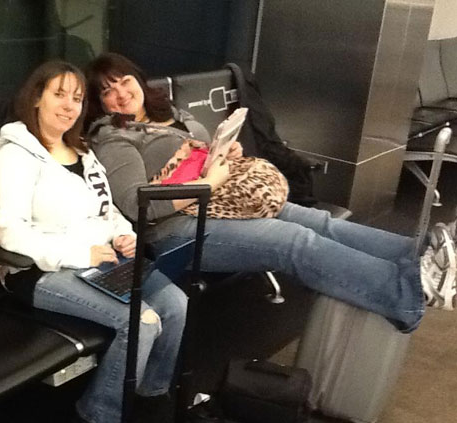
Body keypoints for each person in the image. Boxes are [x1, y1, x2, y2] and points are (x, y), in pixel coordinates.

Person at [84, 52, 457, 331]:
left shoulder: (170, 114)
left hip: (227, 202)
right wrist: (207, 184)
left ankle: (421, 257)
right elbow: (137, 205)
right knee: (292, 241)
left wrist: (229, 150)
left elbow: (208, 155)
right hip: (178, 230)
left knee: (318, 222)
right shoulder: (114, 137)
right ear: (100, 104)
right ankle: (404, 294)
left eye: (124, 82)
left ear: (138, 79)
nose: (120, 94)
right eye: (107, 91)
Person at [0, 60, 188, 423]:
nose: (69, 106)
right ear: (35, 100)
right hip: (42, 272)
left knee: (176, 304)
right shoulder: (14, 157)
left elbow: (107, 208)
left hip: (102, 260)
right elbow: (11, 235)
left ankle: (149, 396)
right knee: (141, 322)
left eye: (77, 98)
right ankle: (98, 420)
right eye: (59, 95)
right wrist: (84, 253)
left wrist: (123, 234)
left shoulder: (81, 151)